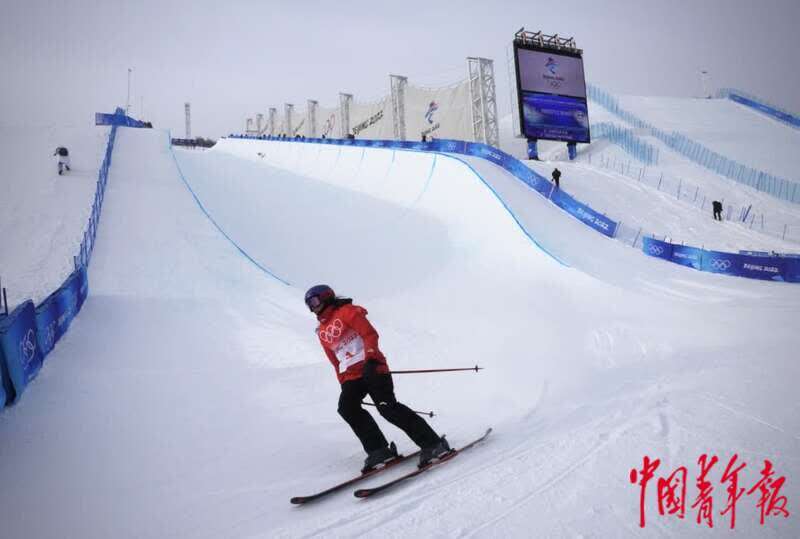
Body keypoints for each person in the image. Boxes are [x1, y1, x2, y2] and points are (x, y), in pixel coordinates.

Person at [304, 285, 451, 472]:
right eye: (308, 304)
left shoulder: (347, 312)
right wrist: (342, 381)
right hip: (351, 375)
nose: (312, 306)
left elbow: (369, 334)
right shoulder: (322, 331)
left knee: (387, 408)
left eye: (314, 301)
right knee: (347, 408)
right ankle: (378, 450)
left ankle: (433, 444)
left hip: (371, 367)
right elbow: (334, 359)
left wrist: (372, 358)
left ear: (326, 297)